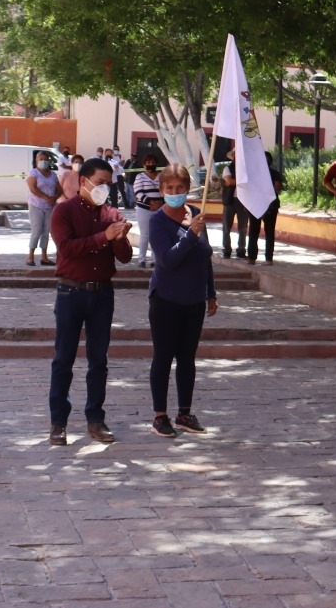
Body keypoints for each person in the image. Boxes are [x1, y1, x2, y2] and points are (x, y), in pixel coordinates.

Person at [47, 157, 132, 445]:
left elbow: (125, 256)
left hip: (102, 293)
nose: (104, 188)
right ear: (83, 181)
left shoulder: (111, 213)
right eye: (99, 182)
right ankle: (58, 423)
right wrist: (102, 237)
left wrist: (120, 237)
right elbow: (67, 249)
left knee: (99, 361)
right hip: (70, 292)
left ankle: (95, 419)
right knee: (63, 360)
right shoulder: (63, 211)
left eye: (108, 183)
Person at [146, 164, 219, 437]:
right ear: (162, 190)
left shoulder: (196, 214)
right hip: (166, 299)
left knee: (187, 359)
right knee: (163, 357)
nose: (174, 193)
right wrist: (190, 235)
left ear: (188, 189)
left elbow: (205, 257)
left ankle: (184, 413)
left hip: (193, 300)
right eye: (169, 188)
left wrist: (210, 292)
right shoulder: (158, 222)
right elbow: (168, 260)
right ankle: (159, 415)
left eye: (180, 188)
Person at [243, 164, 283, 265]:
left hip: (259, 204)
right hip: (269, 205)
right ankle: (268, 258)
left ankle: (252, 258)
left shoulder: (253, 175)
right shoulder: (274, 173)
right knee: (268, 232)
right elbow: (278, 188)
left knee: (254, 231)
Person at [26, 150, 60, 266]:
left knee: (46, 232)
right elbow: (33, 189)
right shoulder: (33, 173)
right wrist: (46, 197)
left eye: (45, 159)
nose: (43, 161)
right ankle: (30, 256)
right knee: (36, 231)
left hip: (50, 207)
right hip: (36, 206)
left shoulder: (53, 175)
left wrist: (54, 198)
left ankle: (44, 257)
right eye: (41, 159)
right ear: (36, 161)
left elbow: (59, 189)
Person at [132, 156, 164, 270]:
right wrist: (151, 203)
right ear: (144, 164)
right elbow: (138, 192)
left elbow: (164, 190)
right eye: (148, 162)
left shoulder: (161, 176)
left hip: (160, 209)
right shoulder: (140, 177)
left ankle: (155, 260)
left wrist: (161, 202)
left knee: (157, 235)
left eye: (153, 162)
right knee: (145, 234)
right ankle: (141, 259)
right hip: (144, 209)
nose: (151, 164)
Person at [219, 163, 245, 259]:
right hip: (229, 200)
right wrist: (242, 181)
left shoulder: (246, 168)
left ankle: (241, 249)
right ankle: (227, 249)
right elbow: (229, 181)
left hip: (243, 200)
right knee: (226, 226)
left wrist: (236, 181)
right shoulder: (228, 168)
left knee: (243, 226)